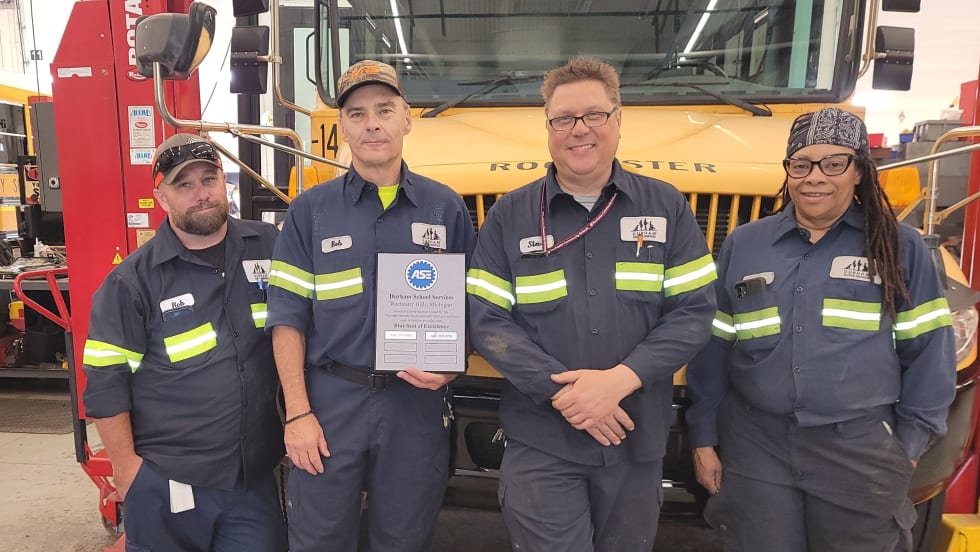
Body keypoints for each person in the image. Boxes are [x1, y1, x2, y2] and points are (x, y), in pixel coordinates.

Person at [466, 56, 717, 551]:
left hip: (635, 439)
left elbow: (694, 312)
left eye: (595, 115)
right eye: (564, 119)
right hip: (543, 444)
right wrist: (567, 394)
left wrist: (618, 382)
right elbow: (487, 320)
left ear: (618, 120)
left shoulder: (666, 207)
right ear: (549, 127)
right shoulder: (510, 216)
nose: (579, 130)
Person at [686, 107, 957, 551]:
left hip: (859, 449)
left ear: (859, 172)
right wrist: (703, 437)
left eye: (834, 164)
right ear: (788, 172)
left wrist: (906, 447)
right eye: (801, 164)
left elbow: (929, 351)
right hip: (758, 448)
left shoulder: (897, 246)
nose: (815, 177)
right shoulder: (745, 244)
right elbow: (714, 349)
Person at [266, 60, 476, 552]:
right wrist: (297, 413)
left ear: (407, 118)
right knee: (318, 540)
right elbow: (287, 317)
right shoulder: (308, 212)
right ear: (342, 128)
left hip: (415, 407)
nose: (373, 124)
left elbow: (475, 304)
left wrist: (452, 362)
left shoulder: (445, 209)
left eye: (385, 110)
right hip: (329, 404)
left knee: (405, 540)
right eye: (357, 114)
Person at [82, 133, 287, 551]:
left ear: (224, 183)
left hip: (253, 480)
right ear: (161, 196)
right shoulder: (131, 282)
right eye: (184, 184)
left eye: (209, 179)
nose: (201, 193)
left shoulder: (269, 248)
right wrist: (128, 473)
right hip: (168, 480)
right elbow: (106, 384)